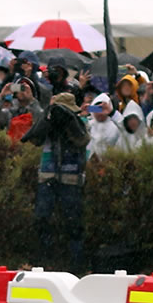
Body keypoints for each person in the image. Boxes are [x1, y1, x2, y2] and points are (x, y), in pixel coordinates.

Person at [29, 91, 89, 269]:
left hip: (71, 178)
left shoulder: (79, 122)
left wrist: (70, 122)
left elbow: (83, 140)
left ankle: (76, 263)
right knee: (42, 218)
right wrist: (47, 117)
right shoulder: (47, 120)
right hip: (48, 176)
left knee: (74, 222)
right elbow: (34, 139)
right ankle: (44, 260)